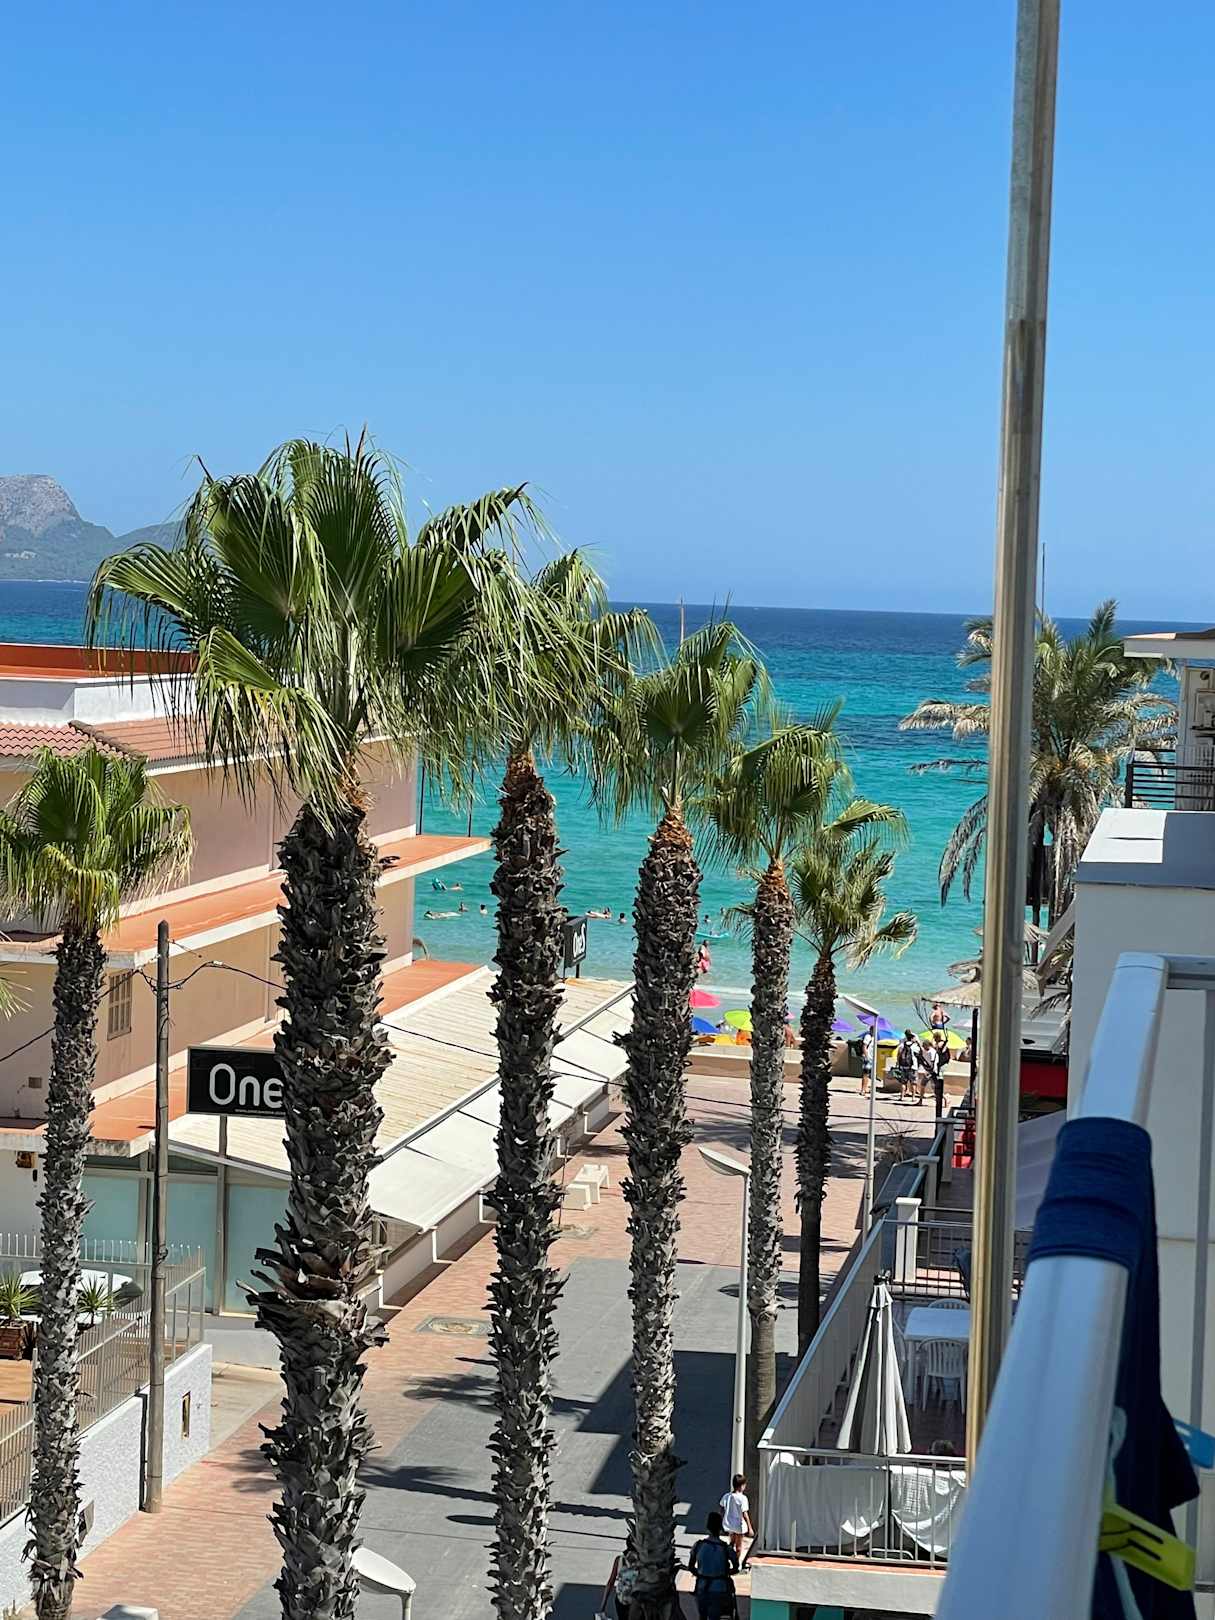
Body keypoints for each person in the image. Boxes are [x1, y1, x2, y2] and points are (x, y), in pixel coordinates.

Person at [688, 1510, 738, 1619]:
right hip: (719, 1589)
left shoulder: (698, 1545)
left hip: (701, 1588)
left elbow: (690, 1567)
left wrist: (701, 1574)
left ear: (707, 1527)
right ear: (720, 1528)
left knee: (702, 1616)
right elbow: (736, 1567)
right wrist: (723, 1573)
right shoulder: (726, 1548)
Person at [719, 1473, 753, 1561]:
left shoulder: (727, 1496)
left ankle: (726, 1559)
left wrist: (721, 1520)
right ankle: (736, 1563)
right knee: (739, 1546)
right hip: (739, 1525)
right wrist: (750, 1527)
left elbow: (721, 1509)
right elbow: (745, 1514)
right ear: (741, 1486)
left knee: (731, 1543)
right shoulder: (743, 1498)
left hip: (729, 1524)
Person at [895, 1028, 919, 1102]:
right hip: (913, 1067)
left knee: (903, 1083)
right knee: (913, 1083)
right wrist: (917, 1043)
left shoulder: (902, 1045)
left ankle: (902, 1097)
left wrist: (898, 1063)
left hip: (904, 1066)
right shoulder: (914, 1046)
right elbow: (919, 1053)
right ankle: (913, 1097)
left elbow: (898, 1055)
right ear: (911, 1038)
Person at [916, 1037, 940, 1107]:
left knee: (935, 1088)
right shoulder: (925, 1051)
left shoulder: (932, 1052)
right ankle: (920, 1101)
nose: (923, 1047)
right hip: (927, 1071)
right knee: (922, 1085)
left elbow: (933, 1063)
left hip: (933, 1072)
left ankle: (944, 1100)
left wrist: (930, 1071)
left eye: (924, 1045)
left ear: (928, 1045)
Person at [859, 1028, 874, 1097]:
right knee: (866, 1074)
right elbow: (864, 1047)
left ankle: (866, 1088)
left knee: (870, 1075)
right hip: (868, 1058)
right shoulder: (868, 1036)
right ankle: (863, 1090)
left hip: (872, 1058)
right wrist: (867, 1057)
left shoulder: (874, 1037)